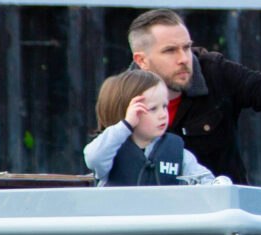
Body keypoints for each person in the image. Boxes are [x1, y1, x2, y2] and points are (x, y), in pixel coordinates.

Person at [126, 8, 261, 185]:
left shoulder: (214, 71)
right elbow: (104, 158)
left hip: (222, 209)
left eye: (186, 47)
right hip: (154, 211)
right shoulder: (121, 95)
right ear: (142, 60)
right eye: (170, 51)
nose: (183, 59)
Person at [83, 68, 221, 186]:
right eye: (153, 109)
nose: (163, 115)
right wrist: (126, 125)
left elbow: (204, 181)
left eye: (165, 106)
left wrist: (219, 184)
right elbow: (93, 158)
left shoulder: (177, 152)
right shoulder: (109, 150)